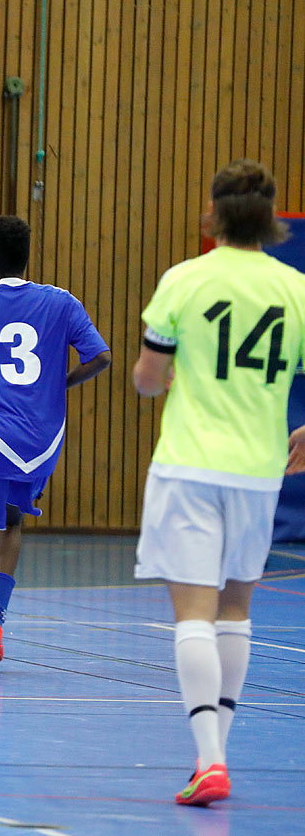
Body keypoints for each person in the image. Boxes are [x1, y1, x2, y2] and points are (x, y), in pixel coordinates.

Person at [132, 159, 305, 806]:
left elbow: (150, 377)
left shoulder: (185, 280)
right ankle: (216, 756)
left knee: (193, 615)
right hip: (260, 472)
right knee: (236, 610)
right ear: (271, 216)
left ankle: (209, 759)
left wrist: (158, 380)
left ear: (214, 214)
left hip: (189, 465)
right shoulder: (295, 288)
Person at [0, 215, 112, 679]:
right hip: (40, 442)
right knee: (11, 524)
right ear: (26, 258)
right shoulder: (62, 303)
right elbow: (102, 357)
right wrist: (61, 383)